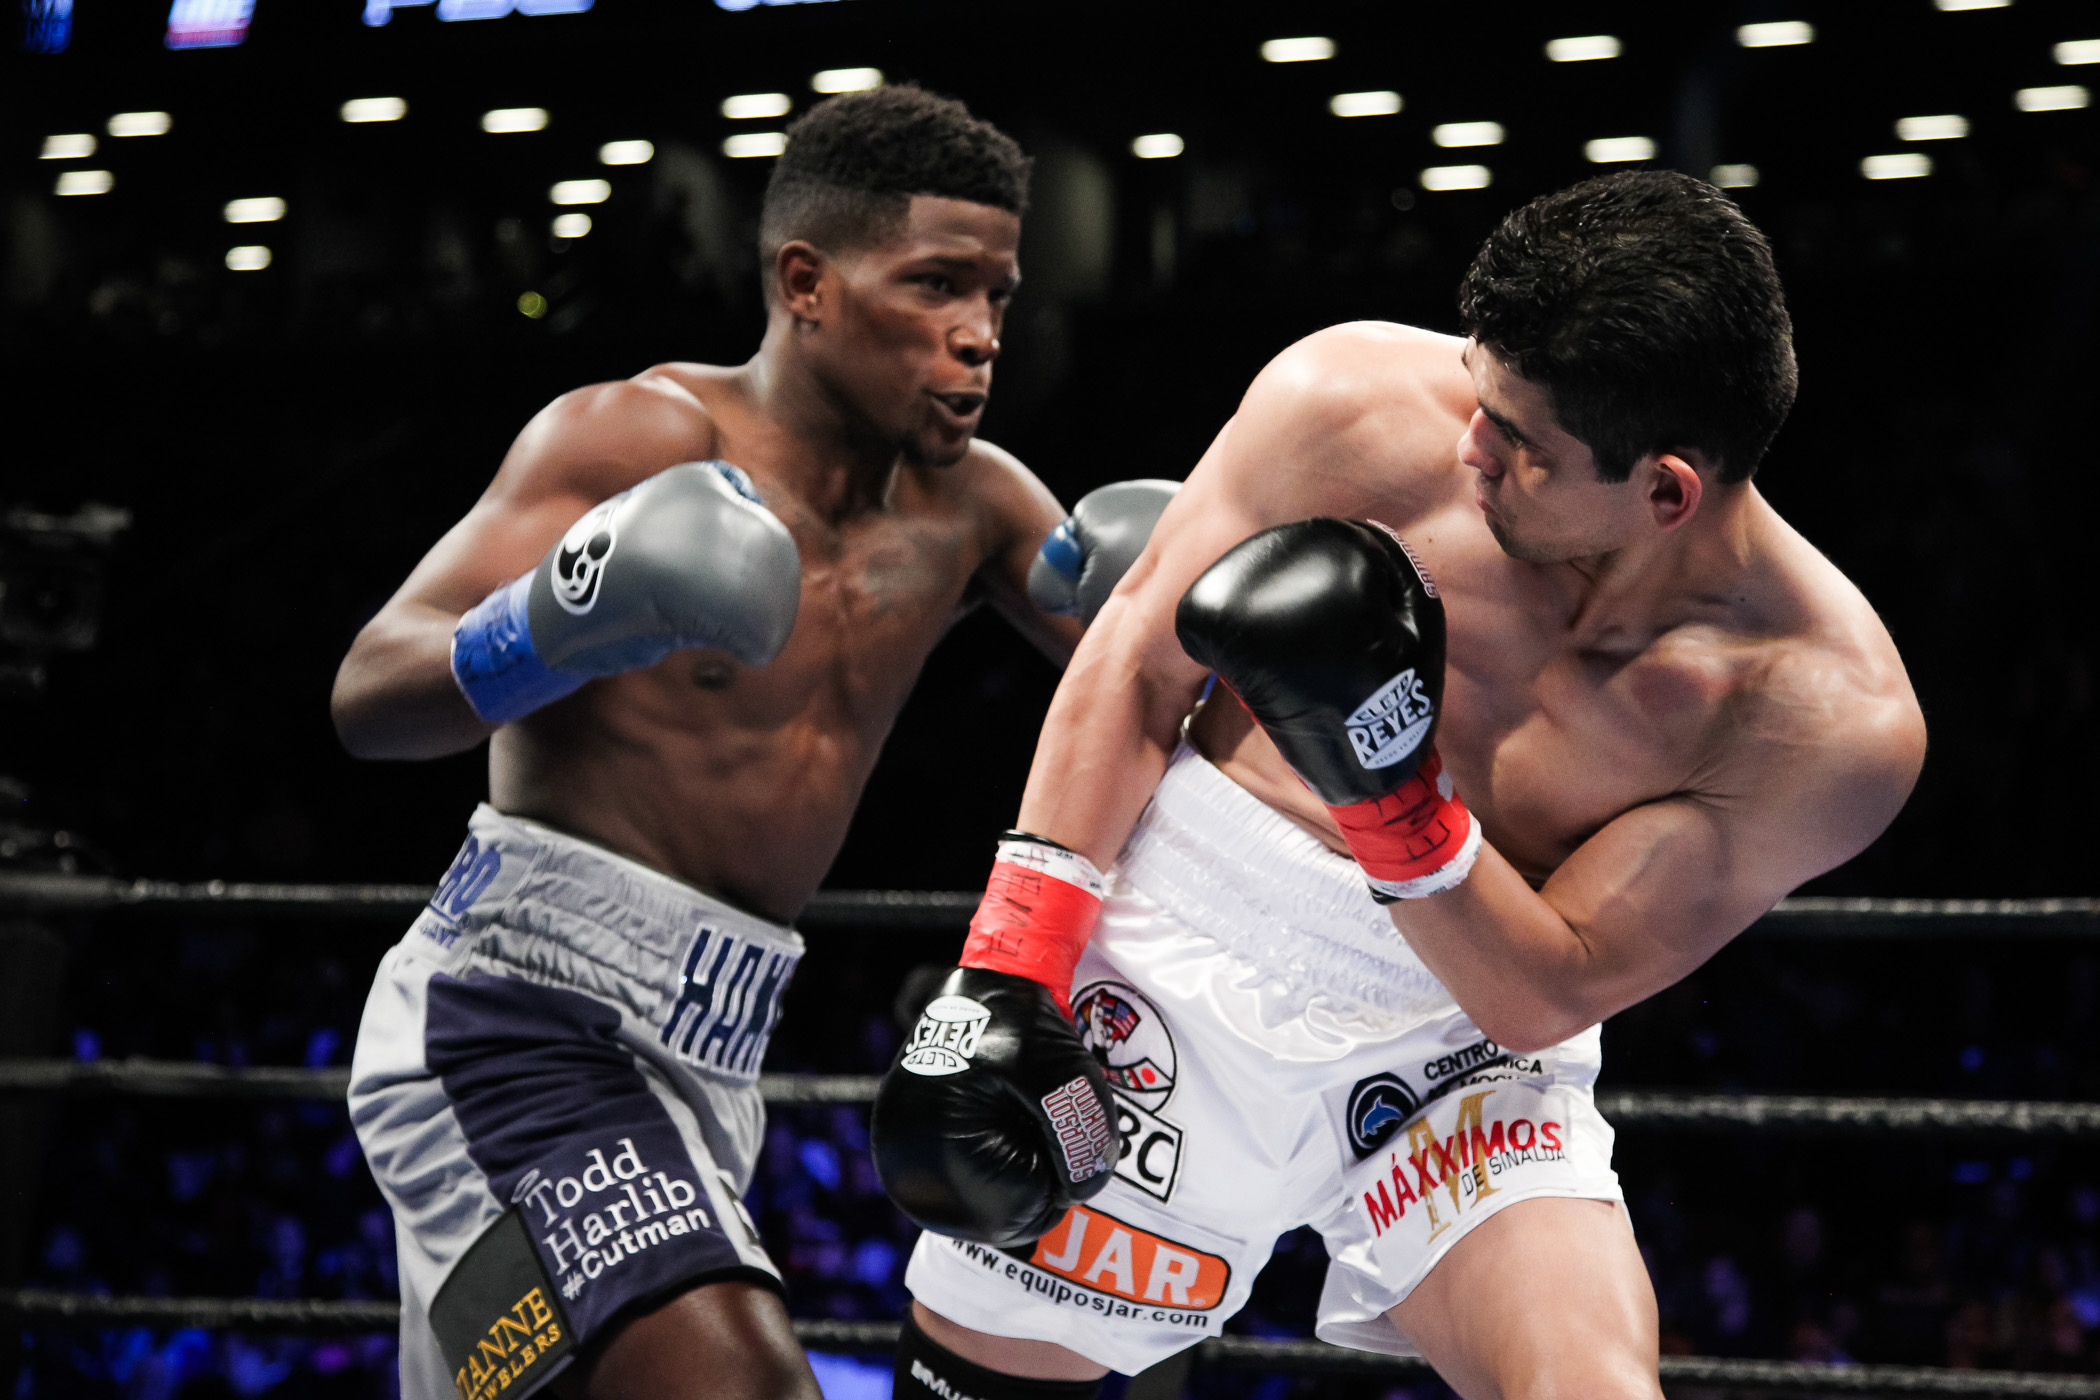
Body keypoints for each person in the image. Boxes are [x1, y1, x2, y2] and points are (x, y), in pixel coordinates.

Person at [873, 170, 1927, 1400]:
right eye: (1481, 392)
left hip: (1460, 1039)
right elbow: (1136, 665)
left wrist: (1387, 790)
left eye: (1521, 441)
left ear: (1665, 489)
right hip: (1188, 938)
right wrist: (1009, 965)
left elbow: (1551, 984)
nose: (1469, 441)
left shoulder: (1820, 721)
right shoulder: (1350, 400)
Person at [332, 87, 1162, 1400]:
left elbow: (1161, 708)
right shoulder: (638, 435)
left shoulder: (980, 506)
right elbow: (370, 689)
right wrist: (554, 619)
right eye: (936, 285)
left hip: (716, 1053)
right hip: (514, 1014)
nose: (979, 333)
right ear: (805, 283)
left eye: (997, 295)